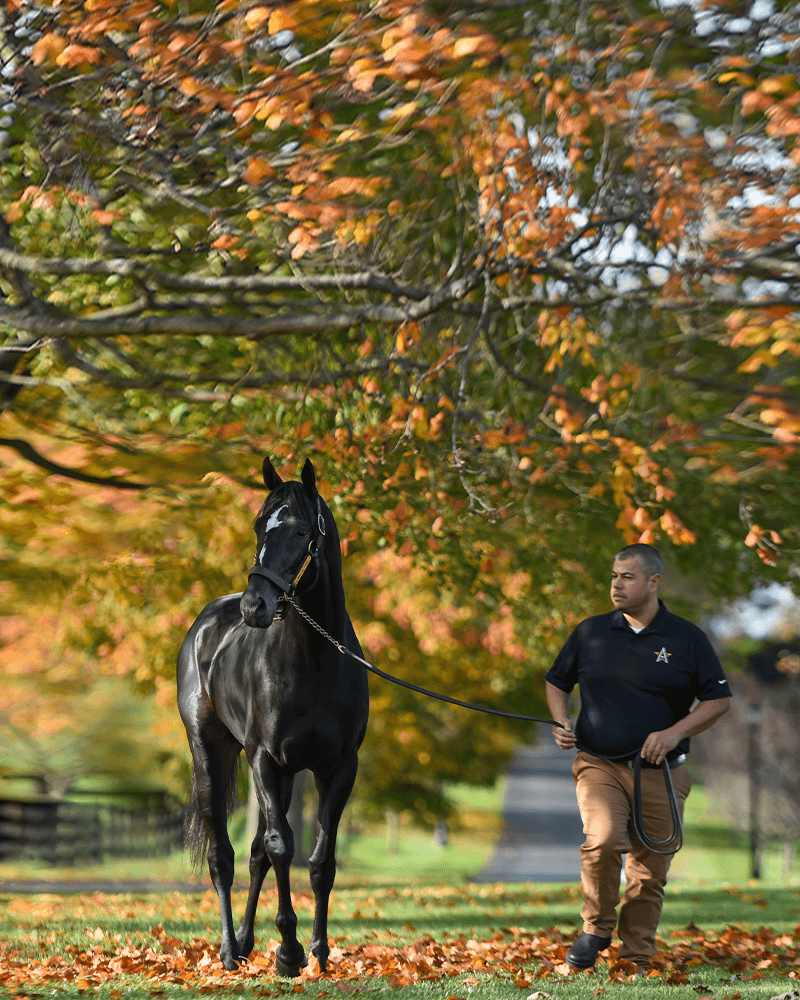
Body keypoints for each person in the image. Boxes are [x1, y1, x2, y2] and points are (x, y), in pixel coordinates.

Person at [545, 543, 730, 973]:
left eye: (627, 577)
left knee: (649, 874)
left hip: (663, 773)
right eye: (613, 575)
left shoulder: (687, 639)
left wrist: (672, 734)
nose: (616, 584)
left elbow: (718, 700)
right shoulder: (590, 632)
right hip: (599, 763)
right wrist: (561, 720)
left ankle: (635, 957)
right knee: (603, 839)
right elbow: (557, 681)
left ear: (653, 582)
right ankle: (596, 928)